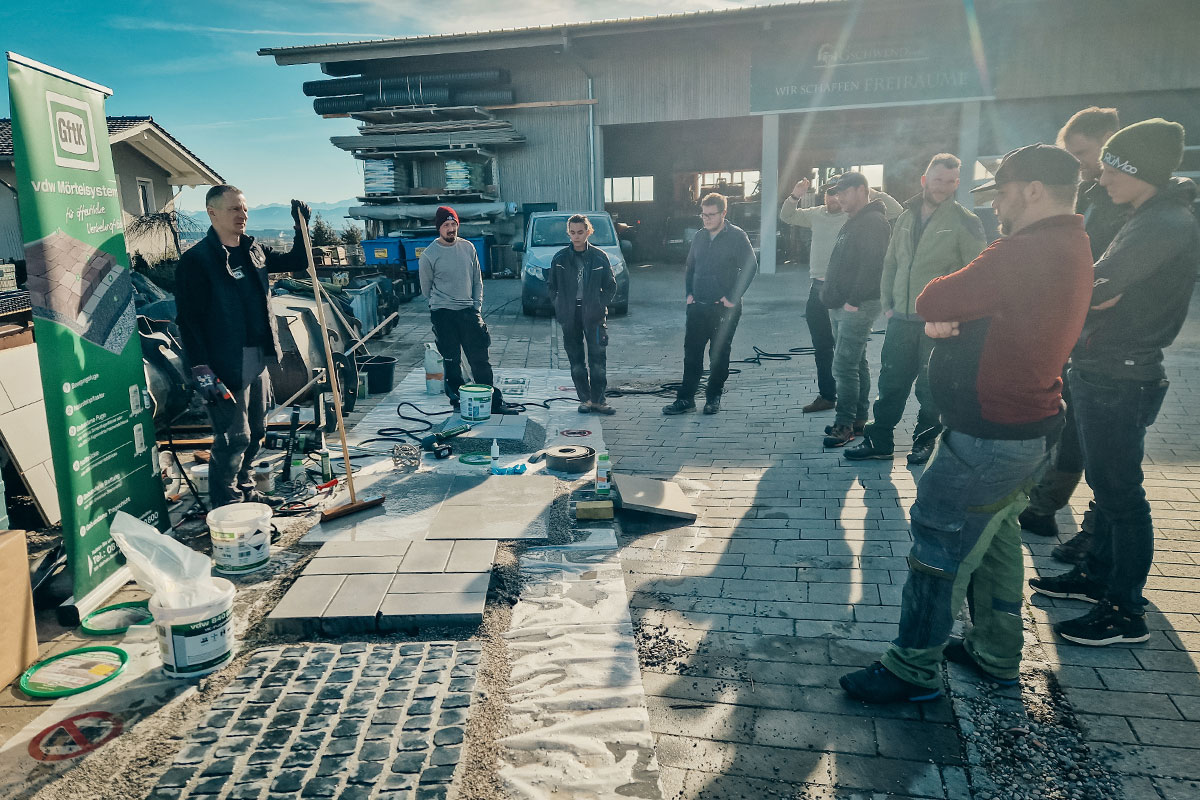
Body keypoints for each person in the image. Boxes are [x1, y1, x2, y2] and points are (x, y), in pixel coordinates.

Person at [840, 144, 1093, 703]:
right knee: (999, 539)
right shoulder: (1070, 242)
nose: (995, 206)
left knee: (938, 548)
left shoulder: (1022, 250)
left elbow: (933, 296)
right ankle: (996, 651)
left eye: (1001, 192)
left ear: (1031, 190)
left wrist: (948, 320)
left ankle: (912, 667)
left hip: (988, 436)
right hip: (1027, 427)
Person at [1030, 119, 1199, 646]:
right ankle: (1096, 575)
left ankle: (1125, 610)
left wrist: (1059, 289)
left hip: (1122, 375)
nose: (1101, 180)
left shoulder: (1164, 222)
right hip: (1102, 367)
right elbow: (1100, 281)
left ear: (1136, 170)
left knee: (1121, 495)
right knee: (1105, 489)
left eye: (1108, 170)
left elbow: (1100, 286)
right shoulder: (1144, 213)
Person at [1019, 107, 1130, 561]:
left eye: (1082, 153)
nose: (1077, 163)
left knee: (1089, 439)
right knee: (1072, 424)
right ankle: (1053, 505)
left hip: (1105, 340)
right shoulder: (1095, 196)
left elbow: (1105, 275)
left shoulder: (1122, 205)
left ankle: (1064, 515)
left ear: (1110, 142)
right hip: (1081, 328)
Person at [845, 154, 986, 465]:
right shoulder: (906, 218)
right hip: (901, 320)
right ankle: (879, 441)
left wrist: (955, 317)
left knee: (930, 388)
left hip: (939, 324)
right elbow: (892, 262)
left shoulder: (965, 221)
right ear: (925, 181)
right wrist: (889, 306)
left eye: (950, 182)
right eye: (938, 180)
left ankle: (924, 442)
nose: (944, 187)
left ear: (957, 183)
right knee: (890, 384)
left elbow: (977, 275)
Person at [176, 185, 309, 508]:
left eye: (245, 208)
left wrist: (301, 227)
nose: (243, 215)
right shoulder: (197, 261)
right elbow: (189, 321)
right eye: (235, 209)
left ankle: (247, 489)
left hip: (257, 356)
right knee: (234, 437)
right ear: (212, 212)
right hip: (221, 363)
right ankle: (228, 504)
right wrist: (201, 369)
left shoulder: (254, 251)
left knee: (258, 431)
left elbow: (298, 259)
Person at [780, 177, 902, 414]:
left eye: (841, 193)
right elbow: (787, 216)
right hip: (819, 290)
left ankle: (854, 414)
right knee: (822, 346)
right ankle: (828, 395)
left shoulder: (856, 216)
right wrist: (794, 195)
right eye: (831, 193)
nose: (836, 198)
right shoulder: (816, 214)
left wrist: (867, 190)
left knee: (851, 357)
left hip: (848, 293)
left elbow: (896, 210)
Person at [662, 193, 758, 416]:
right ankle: (686, 399)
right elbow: (690, 267)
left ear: (724, 213)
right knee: (692, 354)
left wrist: (733, 297)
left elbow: (750, 266)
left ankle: (713, 397)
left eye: (711, 215)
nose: (706, 219)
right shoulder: (699, 237)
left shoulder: (737, 237)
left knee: (719, 354)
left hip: (724, 308)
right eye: (703, 214)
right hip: (697, 306)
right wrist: (689, 294)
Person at [419, 206, 513, 414]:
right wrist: (441, 304)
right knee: (451, 361)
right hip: (443, 314)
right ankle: (458, 400)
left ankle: (491, 400)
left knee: (480, 358)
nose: (451, 229)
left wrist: (476, 307)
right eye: (446, 225)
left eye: (454, 224)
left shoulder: (468, 248)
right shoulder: (429, 255)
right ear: (439, 228)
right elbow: (426, 289)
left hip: (468, 312)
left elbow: (477, 280)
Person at [820, 172, 890, 447]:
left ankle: (844, 424)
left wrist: (854, 300)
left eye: (845, 192)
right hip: (843, 303)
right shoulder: (854, 221)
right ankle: (859, 420)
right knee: (856, 361)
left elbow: (873, 265)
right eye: (837, 193)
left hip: (857, 304)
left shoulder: (873, 222)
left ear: (862, 190)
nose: (839, 198)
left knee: (844, 365)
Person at [547, 214, 618, 415]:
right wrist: (560, 306)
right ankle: (585, 399)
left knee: (598, 359)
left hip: (594, 316)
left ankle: (599, 401)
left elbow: (611, 286)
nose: (576, 236)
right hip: (570, 316)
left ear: (588, 231)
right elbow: (551, 286)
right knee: (576, 360)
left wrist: (599, 304)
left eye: (580, 232)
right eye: (572, 232)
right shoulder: (560, 258)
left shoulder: (599, 257)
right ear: (568, 233)